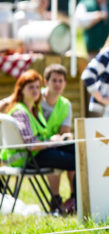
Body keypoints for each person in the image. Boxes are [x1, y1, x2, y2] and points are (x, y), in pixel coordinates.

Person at [0, 69, 76, 214]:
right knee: (77, 161)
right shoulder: (20, 112)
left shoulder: (35, 109)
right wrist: (51, 142)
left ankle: (72, 201)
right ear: (21, 90)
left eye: (37, 87)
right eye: (31, 87)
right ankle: (75, 203)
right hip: (28, 158)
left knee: (75, 149)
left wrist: (56, 140)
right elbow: (30, 145)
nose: (35, 91)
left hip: (37, 154)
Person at [41, 63, 77, 213]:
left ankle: (75, 197)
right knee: (69, 158)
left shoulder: (65, 104)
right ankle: (55, 200)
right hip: (39, 146)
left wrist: (65, 136)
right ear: (46, 81)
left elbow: (65, 132)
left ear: (65, 83)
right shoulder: (36, 98)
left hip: (55, 144)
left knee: (77, 150)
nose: (57, 84)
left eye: (61, 81)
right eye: (54, 80)